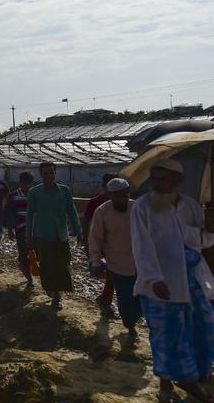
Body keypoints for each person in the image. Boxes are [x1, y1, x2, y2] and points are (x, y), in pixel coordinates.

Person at [131, 159, 214, 403]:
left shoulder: (191, 206)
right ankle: (165, 386)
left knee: (201, 327)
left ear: (177, 181)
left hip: (192, 282)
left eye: (162, 179)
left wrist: (210, 228)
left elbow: (202, 242)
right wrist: (154, 277)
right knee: (165, 335)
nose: (155, 184)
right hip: (158, 284)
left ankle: (195, 378)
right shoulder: (143, 206)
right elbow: (141, 245)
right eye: (153, 179)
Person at [89, 177, 141, 342]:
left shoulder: (138, 208)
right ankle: (131, 327)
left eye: (123, 195)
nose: (120, 199)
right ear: (110, 195)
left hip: (141, 263)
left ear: (128, 193)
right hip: (117, 263)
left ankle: (134, 319)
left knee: (142, 298)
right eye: (116, 196)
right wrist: (96, 263)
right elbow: (95, 239)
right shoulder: (102, 212)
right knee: (125, 298)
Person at [26, 162, 81, 310]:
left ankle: (58, 294)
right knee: (47, 264)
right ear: (41, 175)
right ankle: (53, 291)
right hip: (43, 235)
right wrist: (28, 235)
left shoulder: (64, 191)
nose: (49, 176)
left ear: (55, 173)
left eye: (51, 173)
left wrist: (79, 232)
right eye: (45, 173)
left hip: (61, 234)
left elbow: (72, 212)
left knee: (62, 264)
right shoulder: (35, 192)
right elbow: (30, 215)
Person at [85, 173, 119, 318]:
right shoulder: (95, 203)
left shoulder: (121, 203)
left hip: (116, 243)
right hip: (100, 242)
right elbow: (87, 222)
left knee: (113, 272)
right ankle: (106, 299)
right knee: (112, 272)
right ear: (105, 187)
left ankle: (106, 298)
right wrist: (87, 242)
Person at [4, 172, 35, 288]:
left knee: (36, 254)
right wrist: (10, 229)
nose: (26, 186)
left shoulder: (35, 195)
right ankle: (29, 279)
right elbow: (10, 213)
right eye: (24, 183)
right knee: (23, 254)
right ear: (20, 182)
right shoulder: (13, 196)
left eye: (28, 184)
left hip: (36, 229)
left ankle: (35, 272)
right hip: (21, 230)